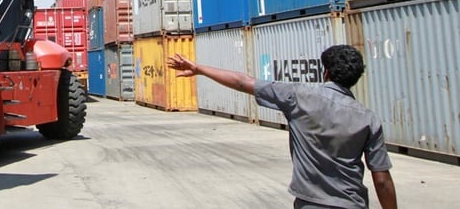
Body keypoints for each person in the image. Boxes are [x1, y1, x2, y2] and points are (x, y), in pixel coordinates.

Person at [167, 45, 397, 209]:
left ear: (325, 71)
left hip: (310, 203)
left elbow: (242, 81)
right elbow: (382, 179)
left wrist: (199, 69)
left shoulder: (298, 97)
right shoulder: (368, 119)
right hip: (352, 203)